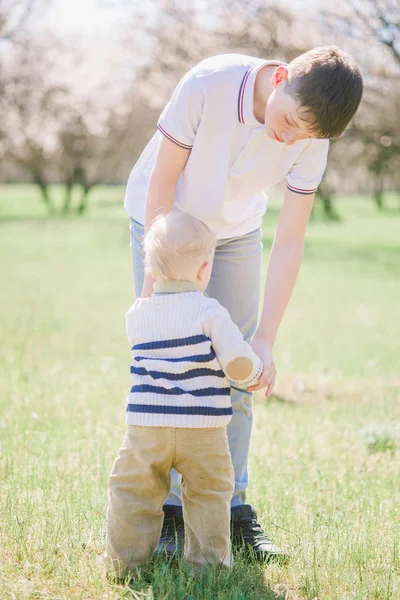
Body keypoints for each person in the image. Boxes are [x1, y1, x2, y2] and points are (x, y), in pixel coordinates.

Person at [124, 46, 363, 561]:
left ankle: (230, 510)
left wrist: (266, 341)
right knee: (171, 360)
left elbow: (290, 240)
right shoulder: (208, 84)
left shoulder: (310, 138)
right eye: (288, 121)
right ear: (280, 78)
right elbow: (163, 182)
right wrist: (154, 292)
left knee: (238, 371)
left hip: (234, 233)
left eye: (306, 135)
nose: (290, 138)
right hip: (166, 221)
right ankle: (169, 515)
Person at [105, 211, 265, 579]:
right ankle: (208, 570)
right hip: (202, 427)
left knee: (133, 491)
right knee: (208, 495)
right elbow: (235, 360)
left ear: (151, 269)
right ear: (204, 270)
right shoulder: (210, 311)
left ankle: (124, 564)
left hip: (148, 425)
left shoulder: (137, 314)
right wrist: (253, 371)